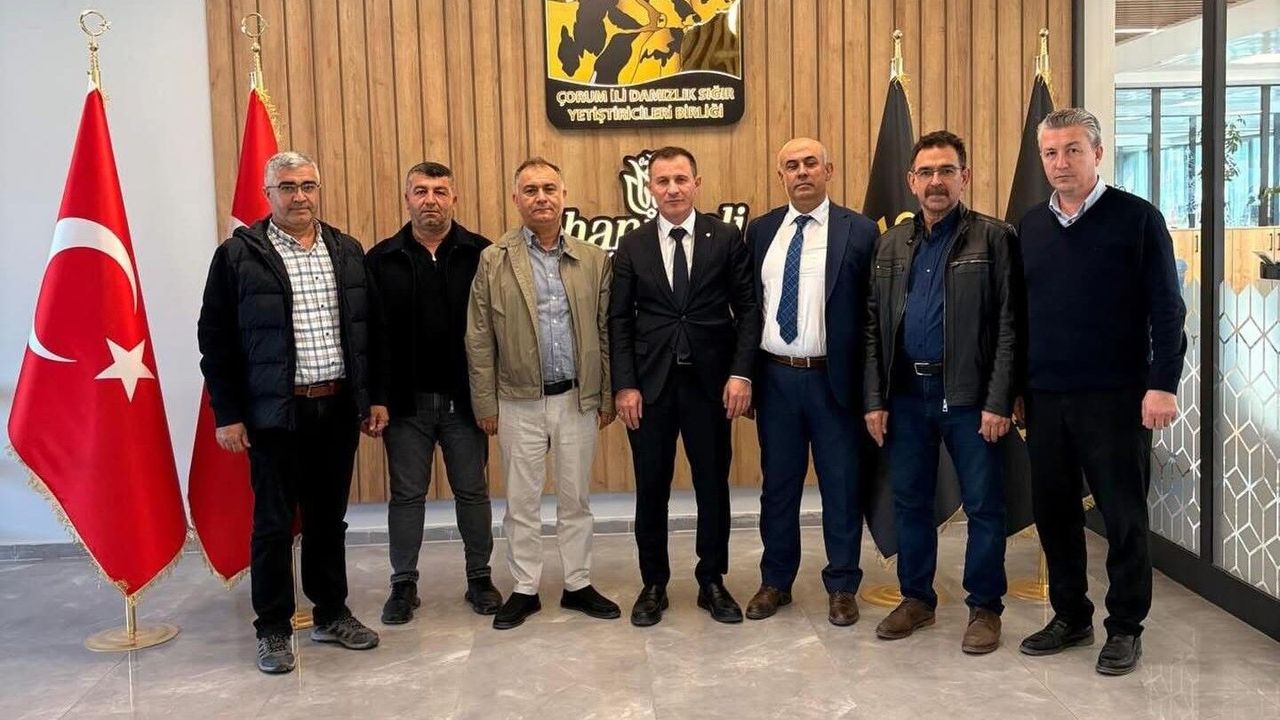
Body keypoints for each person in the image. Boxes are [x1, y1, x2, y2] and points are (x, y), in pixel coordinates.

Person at [1017, 108, 1186, 675]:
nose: (1060, 163)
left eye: (1072, 150)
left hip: (1117, 398)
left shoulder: (1137, 219)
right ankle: (1071, 617)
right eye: (1050, 153)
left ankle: (1126, 627)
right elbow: (1018, 316)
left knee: (1123, 517)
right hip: (1045, 397)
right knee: (1054, 514)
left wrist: (1162, 384)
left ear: (1097, 153)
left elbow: (1168, 309)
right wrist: (1016, 388)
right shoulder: (1030, 227)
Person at [197, 151, 379, 674]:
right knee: (273, 523)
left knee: (328, 519)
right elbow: (215, 339)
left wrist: (371, 398)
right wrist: (228, 413)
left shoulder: (346, 250)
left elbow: (368, 333)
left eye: (308, 185)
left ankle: (331, 613)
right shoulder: (237, 256)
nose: (300, 196)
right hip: (275, 415)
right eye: (288, 187)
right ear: (268, 194)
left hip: (336, 408)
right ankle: (273, 628)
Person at [863, 130, 1019, 654]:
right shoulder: (890, 244)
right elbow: (872, 328)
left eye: (946, 171)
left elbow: (1009, 325)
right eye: (926, 172)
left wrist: (999, 399)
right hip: (906, 395)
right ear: (911, 181)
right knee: (910, 501)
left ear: (964, 177)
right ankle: (916, 599)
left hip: (970, 399)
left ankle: (985, 607)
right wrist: (874, 399)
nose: (936, 182)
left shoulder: (994, 239)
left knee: (984, 505)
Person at [465, 157, 619, 630]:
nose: (541, 198)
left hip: (575, 398)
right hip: (518, 400)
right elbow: (479, 336)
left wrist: (605, 395)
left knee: (576, 500)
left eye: (549, 188)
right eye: (530, 190)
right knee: (522, 503)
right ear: (516, 199)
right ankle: (525, 588)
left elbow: (605, 331)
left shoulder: (593, 259)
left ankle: (577, 584)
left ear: (564, 195)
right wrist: (485, 402)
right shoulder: (494, 259)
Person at [609, 146, 760, 626]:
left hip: (710, 386)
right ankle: (653, 584)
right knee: (651, 488)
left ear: (697, 183)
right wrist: (625, 385)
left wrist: (741, 373)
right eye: (662, 181)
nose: (672, 189)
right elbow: (618, 320)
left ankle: (711, 581)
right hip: (649, 389)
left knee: (712, 487)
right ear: (649, 188)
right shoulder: (633, 244)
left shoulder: (726, 237)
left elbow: (748, 310)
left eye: (680, 179)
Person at [744, 138, 879, 627]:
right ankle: (775, 581)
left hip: (833, 382)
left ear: (829, 170)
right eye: (791, 165)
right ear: (781, 175)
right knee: (778, 487)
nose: (801, 172)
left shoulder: (859, 230)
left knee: (841, 487)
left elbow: (872, 314)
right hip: (776, 379)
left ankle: (842, 585)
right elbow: (749, 308)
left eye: (810, 164)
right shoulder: (761, 231)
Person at [365, 161, 501, 625]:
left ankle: (480, 577)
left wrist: (490, 397)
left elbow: (496, 330)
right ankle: (403, 584)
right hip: (405, 406)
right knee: (406, 496)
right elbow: (372, 337)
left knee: (473, 492)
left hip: (465, 403)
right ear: (407, 198)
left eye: (440, 191)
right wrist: (376, 397)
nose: (430, 200)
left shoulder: (482, 254)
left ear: (454, 198)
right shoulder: (381, 259)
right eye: (421, 191)